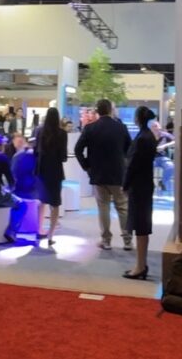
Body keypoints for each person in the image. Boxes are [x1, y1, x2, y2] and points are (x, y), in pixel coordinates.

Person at [74, 99, 132, 251]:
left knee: (103, 207)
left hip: (98, 174)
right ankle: (127, 241)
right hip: (118, 174)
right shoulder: (121, 128)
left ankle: (106, 241)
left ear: (97, 111)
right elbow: (130, 150)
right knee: (122, 207)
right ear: (110, 110)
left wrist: (87, 166)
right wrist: (125, 164)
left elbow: (77, 150)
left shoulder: (90, 128)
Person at [122, 106, 160, 280]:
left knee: (140, 226)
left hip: (139, 186)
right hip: (144, 184)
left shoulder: (142, 138)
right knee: (142, 225)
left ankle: (140, 266)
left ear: (137, 118)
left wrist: (125, 185)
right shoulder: (148, 136)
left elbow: (133, 165)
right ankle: (140, 264)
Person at [36, 107, 68, 246]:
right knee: (55, 203)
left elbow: (36, 152)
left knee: (41, 201)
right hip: (55, 171)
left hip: (41, 170)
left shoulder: (40, 131)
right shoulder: (62, 133)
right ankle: (50, 235)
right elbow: (63, 157)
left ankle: (39, 229)